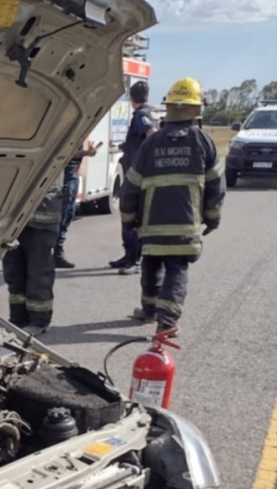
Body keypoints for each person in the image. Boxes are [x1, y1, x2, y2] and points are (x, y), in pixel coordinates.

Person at [119, 76, 224, 335]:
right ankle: (167, 321)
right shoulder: (204, 141)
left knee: (151, 264)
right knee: (176, 269)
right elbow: (215, 186)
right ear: (197, 109)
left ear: (168, 108)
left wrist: (128, 219)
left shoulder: (151, 144)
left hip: (151, 226)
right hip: (185, 227)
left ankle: (150, 310)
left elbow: (131, 186)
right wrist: (212, 218)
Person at [109, 80, 158, 273]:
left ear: (131, 98)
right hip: (139, 171)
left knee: (130, 212)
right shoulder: (151, 112)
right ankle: (129, 256)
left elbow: (152, 135)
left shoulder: (141, 115)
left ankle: (134, 259)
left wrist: (142, 160)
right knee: (132, 214)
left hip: (136, 174)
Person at [2, 182, 62, 333]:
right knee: (14, 272)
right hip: (12, 218)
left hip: (41, 218)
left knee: (38, 273)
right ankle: (17, 318)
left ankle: (39, 321)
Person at [54, 138, 100, 269]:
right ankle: (56, 253)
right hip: (66, 174)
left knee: (68, 214)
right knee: (64, 214)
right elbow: (65, 153)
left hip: (71, 174)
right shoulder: (68, 129)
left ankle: (57, 252)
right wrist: (85, 153)